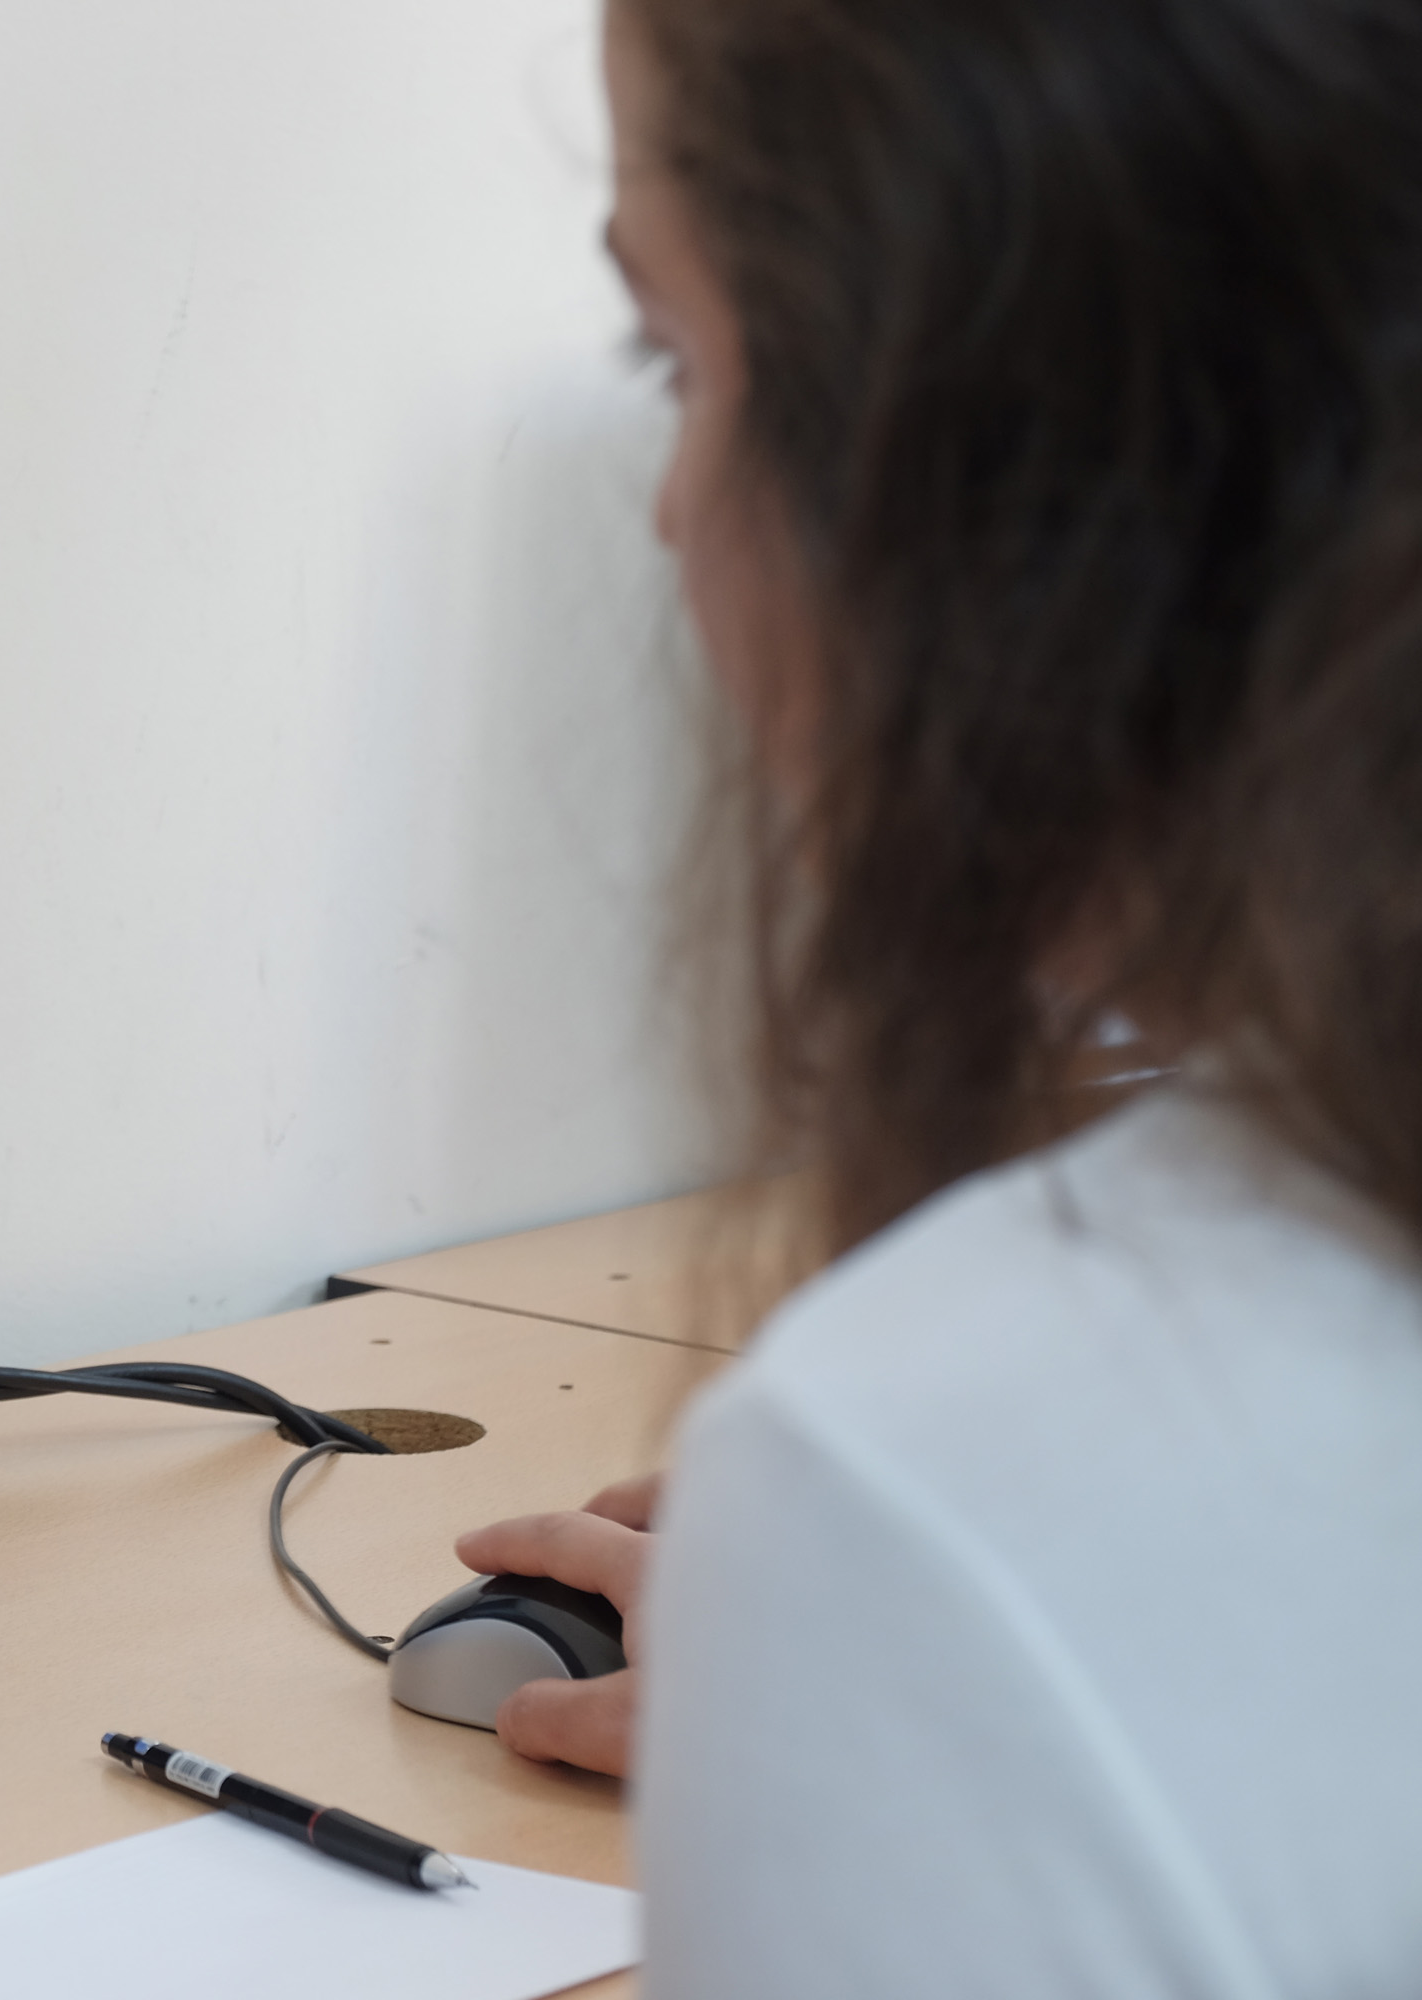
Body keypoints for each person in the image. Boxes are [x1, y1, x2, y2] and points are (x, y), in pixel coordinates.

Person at [452, 1, 1422, 1991]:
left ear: (994, 466)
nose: (669, 509)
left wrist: (886, 1681)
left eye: (679, 356)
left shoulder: (924, 1481)